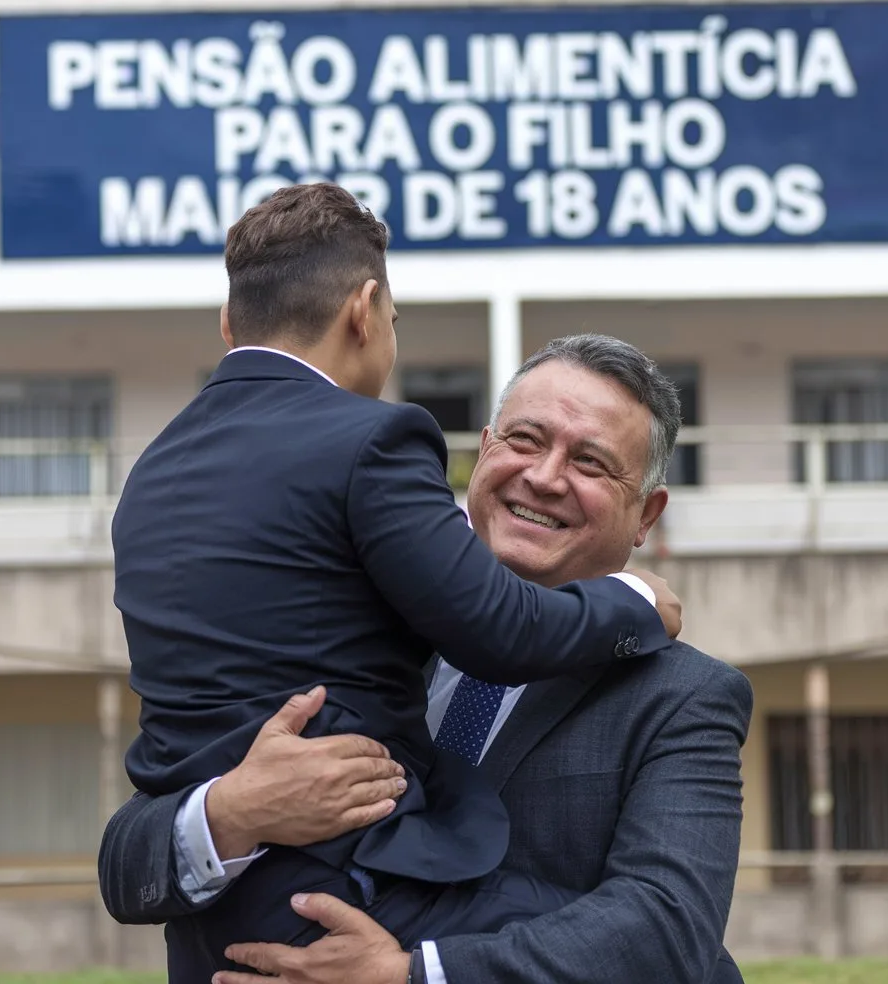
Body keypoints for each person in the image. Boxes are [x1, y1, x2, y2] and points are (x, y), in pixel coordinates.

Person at [110, 187, 677, 980]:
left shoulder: (153, 472)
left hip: (223, 929)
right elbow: (501, 630)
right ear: (365, 311)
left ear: (229, 323)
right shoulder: (372, 437)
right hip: (351, 889)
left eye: (587, 462)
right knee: (687, 965)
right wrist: (636, 600)